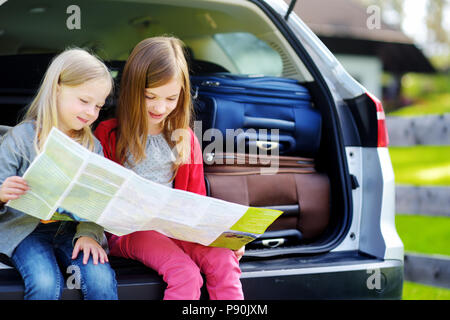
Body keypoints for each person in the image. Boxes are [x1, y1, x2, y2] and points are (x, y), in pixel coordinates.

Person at [94, 36, 244, 300]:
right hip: (129, 231)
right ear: (131, 89)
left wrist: (223, 238)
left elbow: (195, 201)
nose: (160, 107)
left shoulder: (185, 137)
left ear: (182, 95)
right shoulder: (109, 134)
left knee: (224, 259)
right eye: (149, 96)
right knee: (185, 274)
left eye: (170, 98)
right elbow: (98, 197)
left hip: (177, 228)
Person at [0, 48, 118, 300]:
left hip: (71, 231)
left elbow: (98, 199)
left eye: (98, 106)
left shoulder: (92, 146)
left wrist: (88, 234)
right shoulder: (20, 139)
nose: (91, 113)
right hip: (25, 231)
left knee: (100, 279)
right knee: (44, 284)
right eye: (84, 101)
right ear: (56, 89)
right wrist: (2, 194)